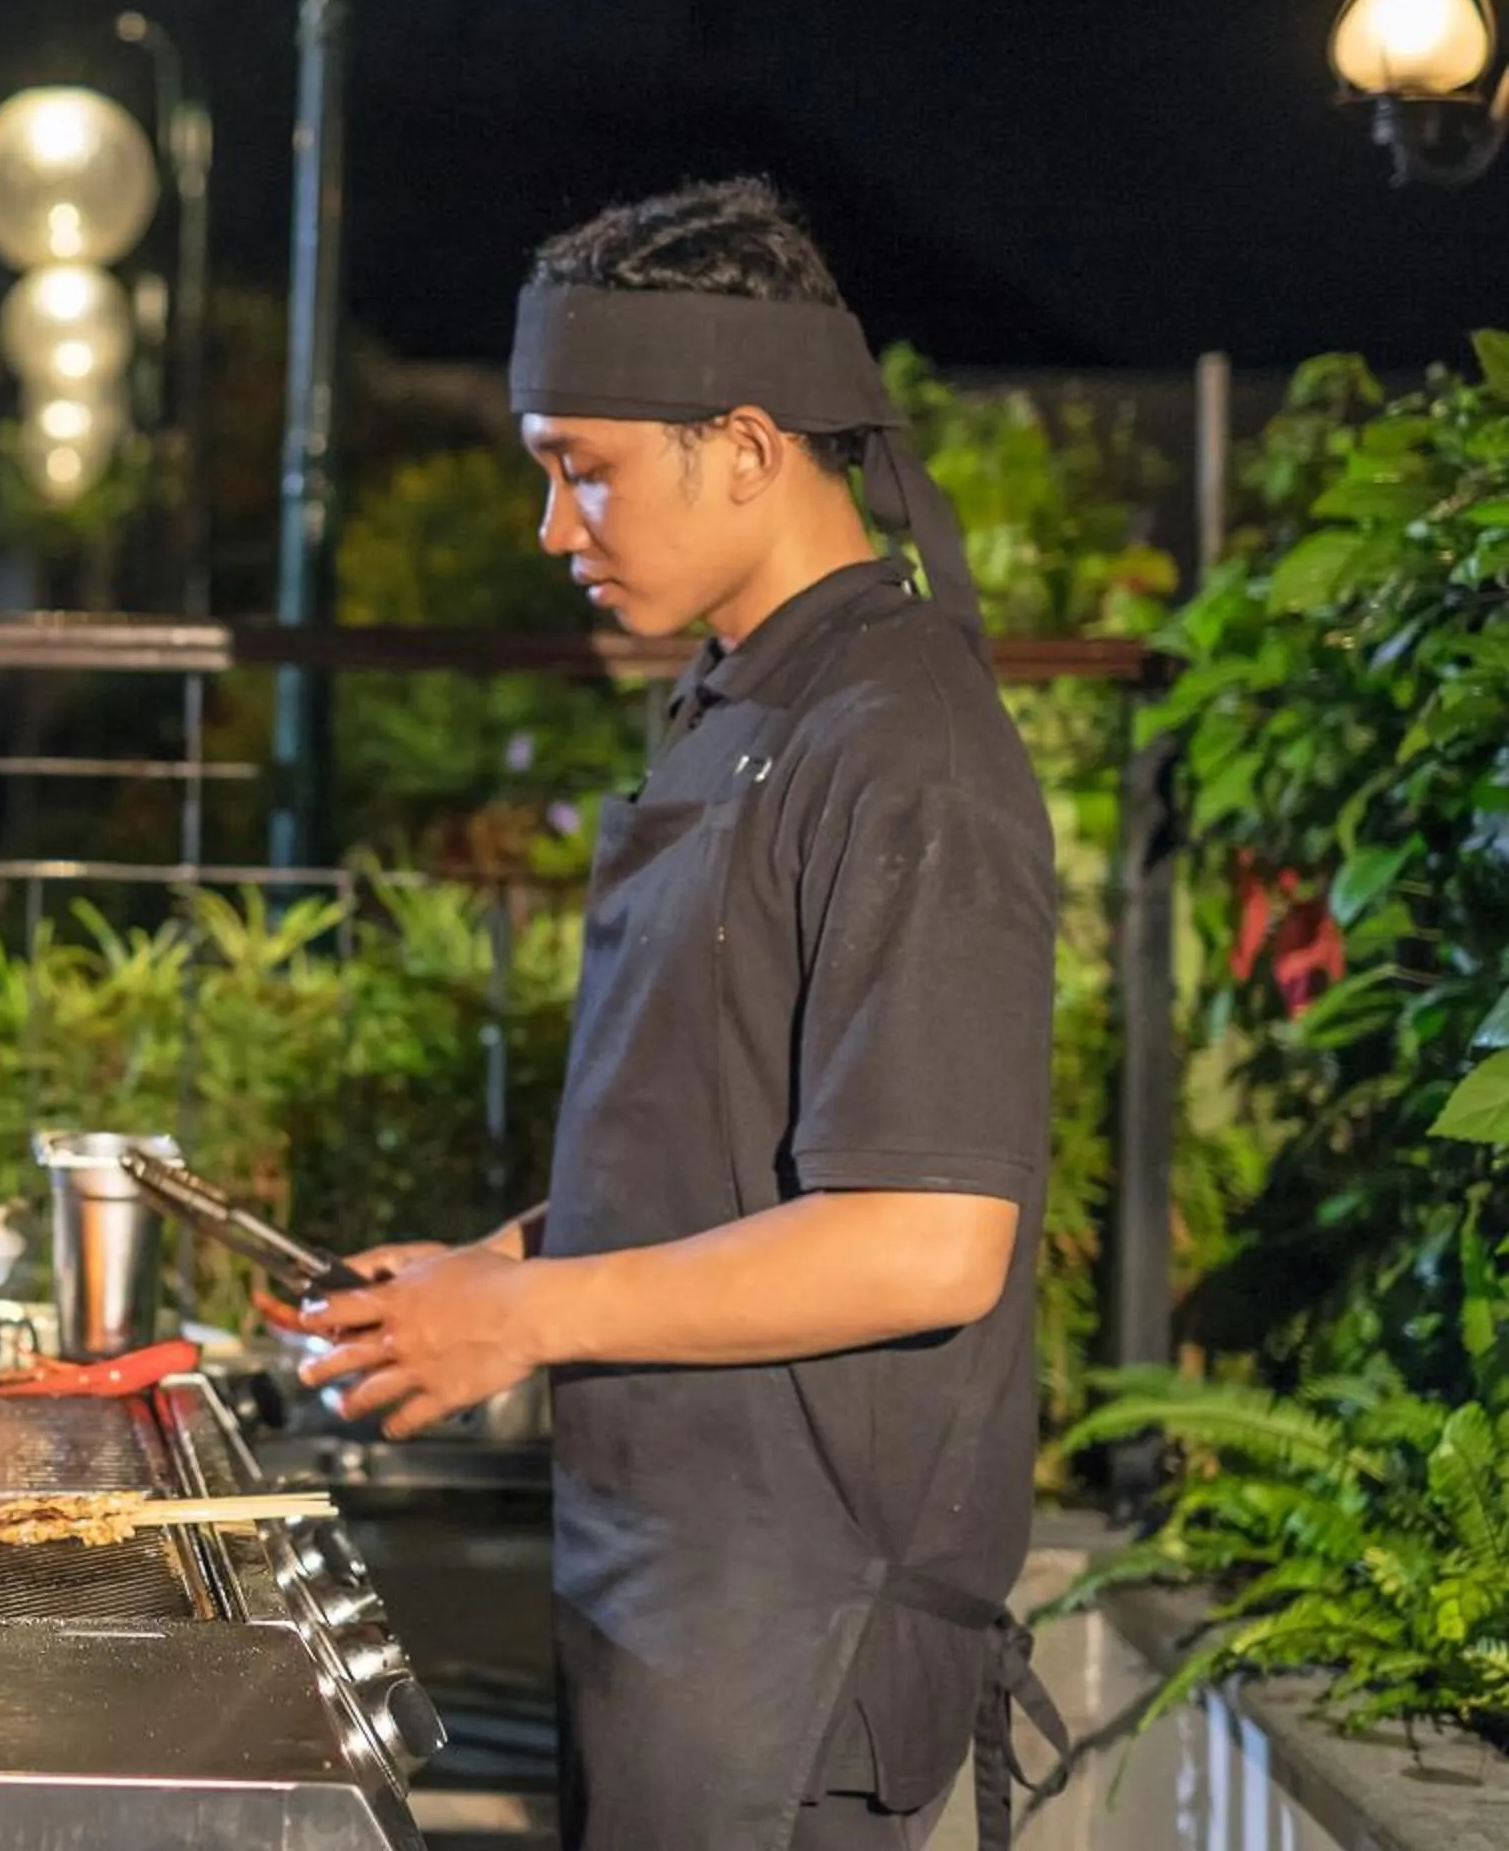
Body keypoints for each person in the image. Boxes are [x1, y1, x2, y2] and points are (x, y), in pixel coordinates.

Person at [263, 180, 1068, 1851]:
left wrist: (541, 1320)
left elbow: (926, 1237)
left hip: (801, 1615)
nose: (558, 528)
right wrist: (507, 1268)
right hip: (682, 1578)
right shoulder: (746, 699)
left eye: (585, 467)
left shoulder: (903, 742)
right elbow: (736, 1133)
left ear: (751, 445)